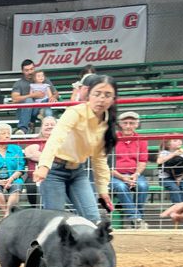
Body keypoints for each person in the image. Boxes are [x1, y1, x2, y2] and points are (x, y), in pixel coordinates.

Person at [32, 75, 119, 223]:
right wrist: (44, 166)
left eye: (107, 95)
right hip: (54, 171)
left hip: (78, 172)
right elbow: (56, 138)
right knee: (55, 222)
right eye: (97, 94)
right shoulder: (75, 112)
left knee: (93, 219)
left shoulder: (106, 124)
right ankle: (39, 246)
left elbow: (99, 160)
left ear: (113, 99)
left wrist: (103, 190)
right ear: (89, 95)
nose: (101, 99)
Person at [109, 111, 150, 229]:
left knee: (143, 185)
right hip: (115, 175)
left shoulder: (141, 140)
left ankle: (137, 219)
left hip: (134, 174)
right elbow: (106, 165)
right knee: (121, 186)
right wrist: (122, 178)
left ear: (137, 124)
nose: (128, 126)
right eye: (125, 123)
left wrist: (135, 175)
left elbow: (142, 161)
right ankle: (136, 218)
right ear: (120, 124)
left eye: (131, 123)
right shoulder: (112, 139)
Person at [0, 123, 26, 217]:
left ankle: (7, 215)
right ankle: (7, 214)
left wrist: (11, 179)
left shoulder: (16, 149)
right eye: (4, 133)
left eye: (8, 133)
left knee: (16, 188)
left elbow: (21, 168)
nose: (7, 135)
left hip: (13, 178)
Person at [11, 59, 58, 133]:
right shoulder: (19, 83)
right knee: (29, 100)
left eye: (31, 69)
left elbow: (55, 93)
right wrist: (32, 95)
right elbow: (15, 99)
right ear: (22, 71)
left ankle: (50, 133)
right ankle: (23, 129)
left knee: (47, 110)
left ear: (34, 68)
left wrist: (53, 97)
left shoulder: (44, 80)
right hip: (24, 111)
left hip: (40, 109)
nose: (30, 72)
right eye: (26, 70)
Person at [23, 116, 57, 207]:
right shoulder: (34, 140)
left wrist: (40, 155)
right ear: (41, 128)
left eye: (52, 125)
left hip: (56, 175)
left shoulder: (60, 141)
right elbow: (30, 153)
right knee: (31, 186)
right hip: (34, 175)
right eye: (46, 125)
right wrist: (53, 157)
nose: (49, 126)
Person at [156, 136, 183, 205]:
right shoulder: (164, 152)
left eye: (180, 139)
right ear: (168, 145)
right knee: (175, 188)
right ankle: (177, 207)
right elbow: (159, 161)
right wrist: (174, 154)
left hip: (180, 177)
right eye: (175, 140)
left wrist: (180, 178)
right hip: (165, 178)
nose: (179, 141)